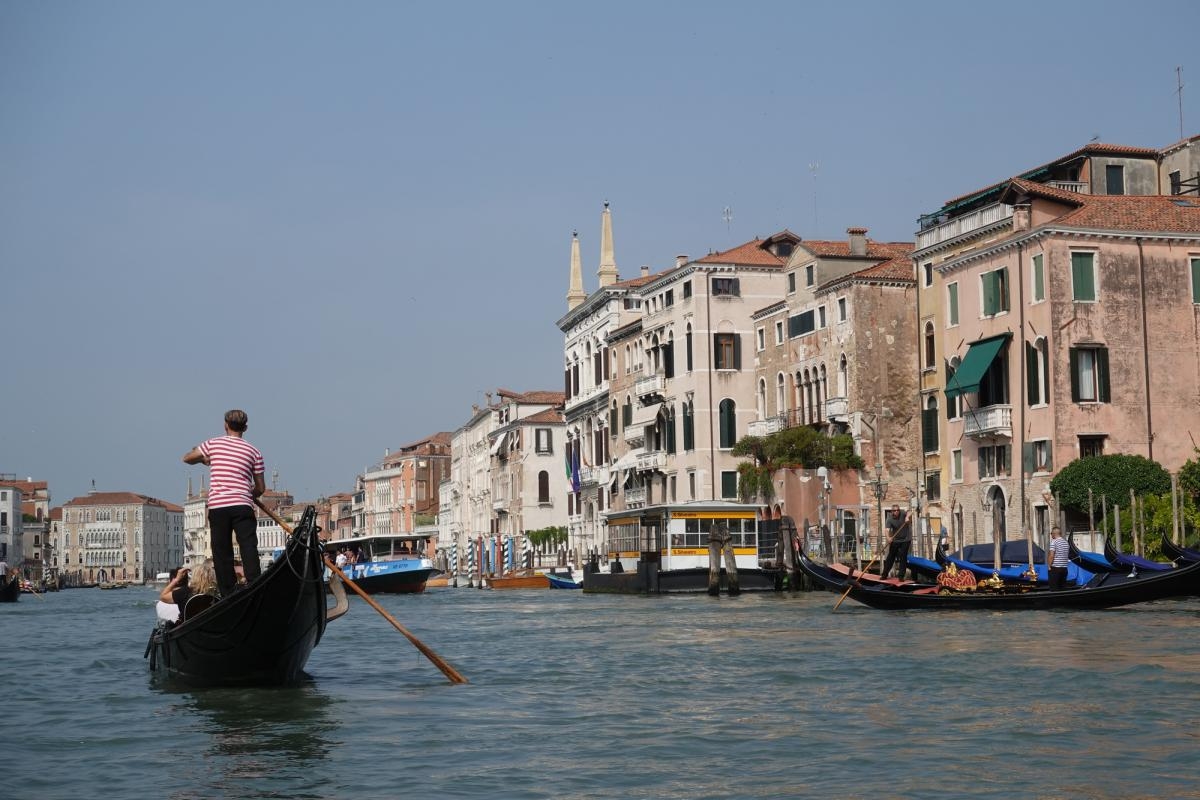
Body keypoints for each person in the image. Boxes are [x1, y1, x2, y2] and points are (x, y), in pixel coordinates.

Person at [183, 409, 266, 598]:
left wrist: (205, 459)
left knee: (221, 551)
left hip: (218, 506)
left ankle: (228, 593)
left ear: (225, 425)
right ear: (245, 428)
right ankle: (255, 585)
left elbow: (187, 458)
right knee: (248, 546)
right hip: (242, 505)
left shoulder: (213, 444)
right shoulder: (254, 452)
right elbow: (260, 488)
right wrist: (247, 493)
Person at [881, 504, 913, 580]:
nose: (897, 511)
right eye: (895, 510)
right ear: (892, 511)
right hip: (895, 540)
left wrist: (907, 517)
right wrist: (888, 538)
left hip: (906, 539)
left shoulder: (902, 513)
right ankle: (884, 575)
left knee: (903, 556)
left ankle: (901, 576)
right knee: (891, 557)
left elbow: (910, 511)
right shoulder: (889, 519)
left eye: (898, 510)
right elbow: (887, 530)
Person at [1047, 526, 1070, 590]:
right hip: (1064, 569)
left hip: (1055, 569)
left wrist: (1049, 566)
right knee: (1062, 588)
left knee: (1054, 588)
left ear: (1054, 533)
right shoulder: (1066, 543)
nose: (1051, 535)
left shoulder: (1054, 542)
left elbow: (1051, 556)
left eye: (1051, 533)